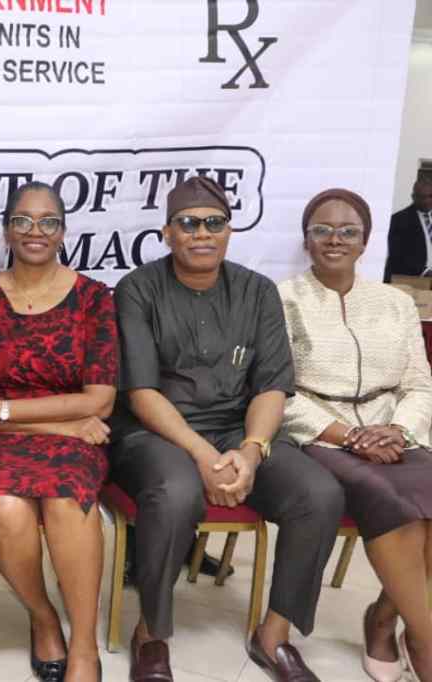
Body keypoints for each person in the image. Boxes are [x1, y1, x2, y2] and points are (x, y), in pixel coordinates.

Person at [111, 176, 344, 682]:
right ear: (167, 233)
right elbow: (142, 393)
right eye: (188, 223)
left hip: (238, 430)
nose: (202, 234)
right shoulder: (138, 289)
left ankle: (274, 635)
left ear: (229, 231)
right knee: (175, 492)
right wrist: (202, 456)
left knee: (319, 494)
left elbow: (271, 387)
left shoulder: (257, 292)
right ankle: (151, 633)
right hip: (155, 433)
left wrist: (252, 450)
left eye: (213, 223)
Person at [0, 181, 116, 682]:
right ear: (6, 231)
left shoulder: (93, 298)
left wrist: (1, 411)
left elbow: (100, 401)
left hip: (74, 440)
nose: (35, 231)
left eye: (48, 221)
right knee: (3, 505)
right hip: (4, 440)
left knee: (67, 498)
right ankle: (43, 616)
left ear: (63, 232)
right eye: (22, 221)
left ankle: (84, 646)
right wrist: (58, 423)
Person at [280, 188, 432, 682]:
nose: (335, 239)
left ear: (365, 241)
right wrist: (348, 436)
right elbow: (277, 392)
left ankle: (384, 617)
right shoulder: (280, 300)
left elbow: (419, 383)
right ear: (306, 240)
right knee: (392, 503)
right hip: (322, 435)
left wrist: (399, 429)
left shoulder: (396, 302)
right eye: (322, 230)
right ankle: (426, 641)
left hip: (394, 432)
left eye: (349, 231)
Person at [383, 178, 432, 281]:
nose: (427, 200)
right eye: (423, 197)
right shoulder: (398, 220)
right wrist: (425, 272)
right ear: (413, 197)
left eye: (430, 196)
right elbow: (397, 255)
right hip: (409, 279)